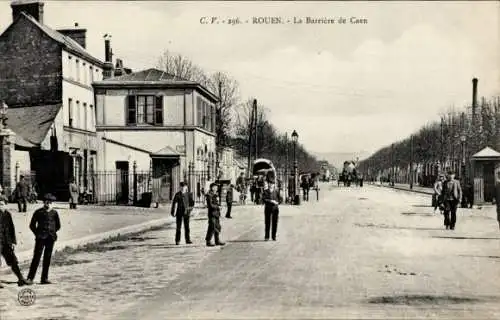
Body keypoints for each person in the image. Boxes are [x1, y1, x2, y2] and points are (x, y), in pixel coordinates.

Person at [27, 193, 61, 284]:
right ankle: (30, 278)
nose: (48, 204)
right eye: (47, 202)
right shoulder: (38, 212)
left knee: (48, 257)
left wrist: (52, 232)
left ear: (52, 203)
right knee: (36, 257)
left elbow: (58, 226)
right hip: (40, 238)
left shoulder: (54, 213)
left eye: (50, 202)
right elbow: (32, 225)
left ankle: (44, 278)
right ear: (44, 202)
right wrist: (37, 234)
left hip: (50, 238)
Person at [0, 196, 30, 287]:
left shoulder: (8, 214)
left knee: (13, 260)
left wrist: (13, 242)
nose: (0, 206)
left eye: (2, 204)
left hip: (7, 241)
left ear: (6, 204)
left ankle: (20, 278)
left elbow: (12, 229)